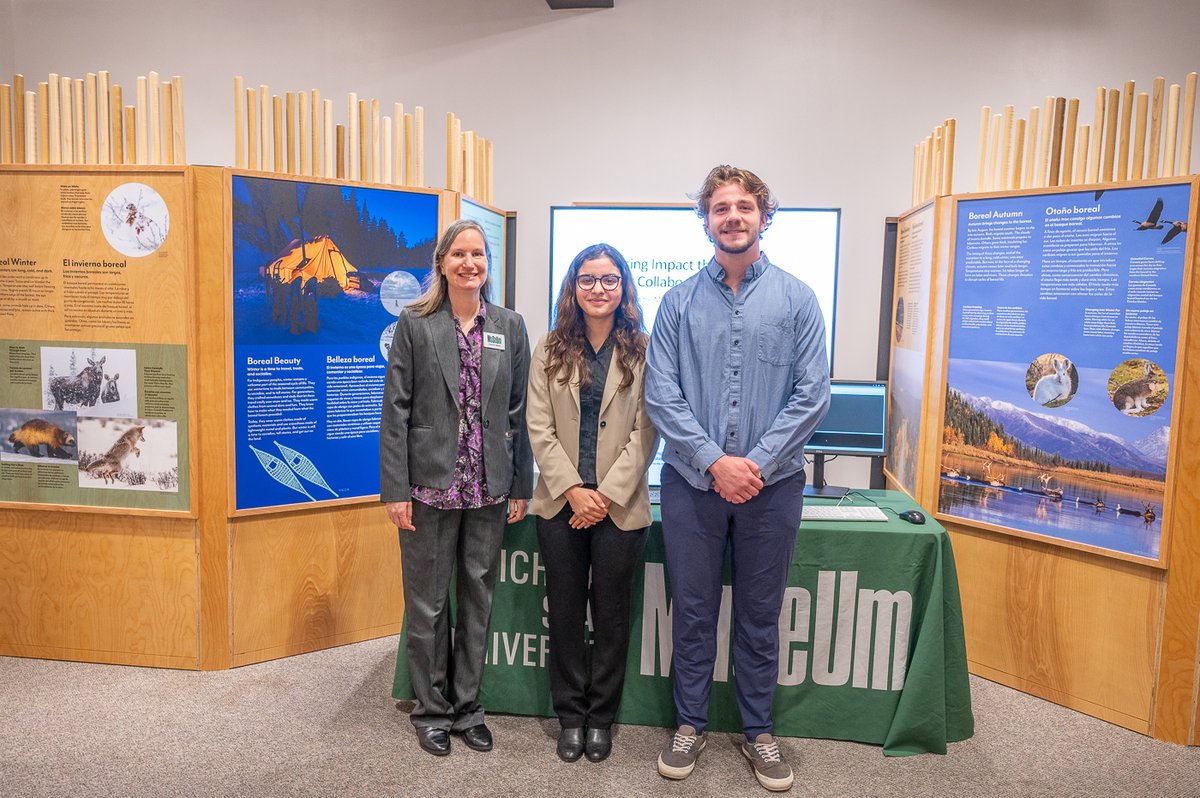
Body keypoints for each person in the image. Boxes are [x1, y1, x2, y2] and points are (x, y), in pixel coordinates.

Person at [645, 165, 831, 791]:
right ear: (705, 221)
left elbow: (812, 395)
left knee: (759, 613)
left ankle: (759, 733)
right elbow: (662, 395)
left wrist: (753, 464)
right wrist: (714, 462)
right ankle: (690, 724)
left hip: (771, 488)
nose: (733, 217)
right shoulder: (676, 303)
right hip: (692, 484)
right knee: (692, 613)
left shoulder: (799, 299)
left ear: (764, 217)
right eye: (720, 207)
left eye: (744, 207)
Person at [380, 218, 533, 757]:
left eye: (479, 254)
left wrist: (521, 483)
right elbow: (395, 412)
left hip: (488, 488)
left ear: (487, 264)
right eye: (460, 254)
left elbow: (520, 411)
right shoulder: (416, 324)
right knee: (427, 605)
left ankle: (468, 708)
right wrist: (395, 489)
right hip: (428, 487)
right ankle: (431, 710)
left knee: (477, 599)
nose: (470, 263)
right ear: (442, 263)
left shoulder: (509, 327)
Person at [527, 243, 659, 764]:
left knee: (610, 614)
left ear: (624, 286)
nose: (598, 289)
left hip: (619, 508)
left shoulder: (646, 351)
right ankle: (569, 716)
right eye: (587, 280)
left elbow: (649, 431)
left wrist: (603, 496)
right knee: (562, 612)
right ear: (573, 288)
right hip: (561, 506)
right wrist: (574, 491)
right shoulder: (550, 347)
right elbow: (538, 426)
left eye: (608, 280)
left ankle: (599, 718)